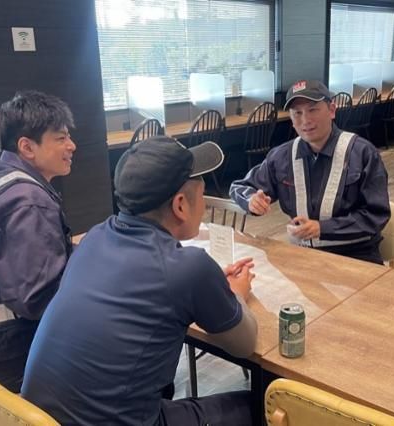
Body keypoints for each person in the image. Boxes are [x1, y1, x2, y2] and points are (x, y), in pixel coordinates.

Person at [22, 136, 258, 425]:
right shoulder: (190, 267)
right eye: (202, 193)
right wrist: (236, 292)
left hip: (35, 418)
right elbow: (245, 345)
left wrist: (210, 287)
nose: (205, 205)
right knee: (262, 404)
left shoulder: (94, 237)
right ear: (180, 205)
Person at [230, 80, 390, 264]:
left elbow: (377, 215)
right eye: (297, 113)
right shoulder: (281, 156)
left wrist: (323, 228)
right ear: (291, 119)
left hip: (356, 255)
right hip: (303, 253)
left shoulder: (362, 153)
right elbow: (239, 187)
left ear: (332, 110)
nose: (305, 120)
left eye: (313, 110)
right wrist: (251, 200)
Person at [0, 91, 75, 392]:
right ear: (26, 147)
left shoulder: (1, 176)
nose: (72, 146)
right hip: (8, 341)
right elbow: (37, 299)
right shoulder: (28, 201)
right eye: (61, 138)